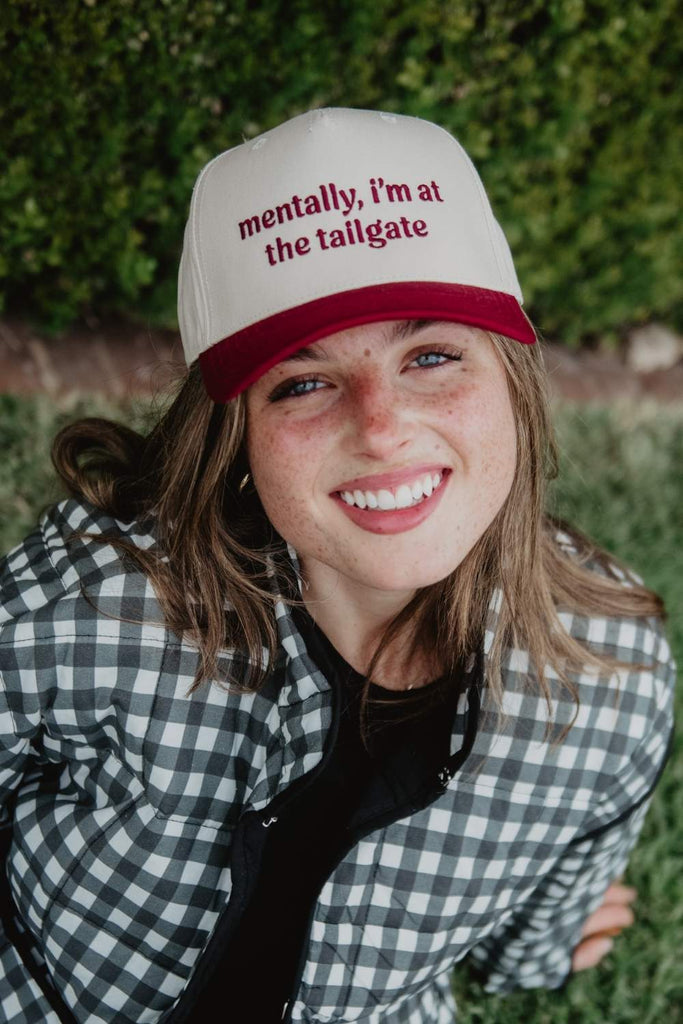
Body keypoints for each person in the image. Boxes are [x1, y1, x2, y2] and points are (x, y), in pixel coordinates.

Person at [0, 108, 675, 1024]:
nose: (382, 426)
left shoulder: (614, 678)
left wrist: (551, 937)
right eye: (303, 381)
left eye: (431, 355)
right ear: (235, 435)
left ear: (514, 387)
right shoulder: (105, 598)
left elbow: (533, 942)